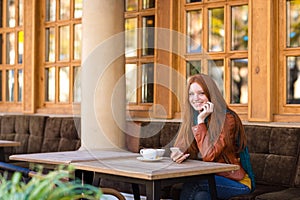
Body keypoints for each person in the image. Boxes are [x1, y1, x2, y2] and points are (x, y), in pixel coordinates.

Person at [171, 74, 254, 200]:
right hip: (211, 177)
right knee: (201, 197)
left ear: (211, 95)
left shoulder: (227, 118)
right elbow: (182, 147)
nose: (195, 98)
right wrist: (177, 153)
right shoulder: (192, 118)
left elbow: (209, 155)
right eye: (191, 94)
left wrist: (201, 122)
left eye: (201, 93)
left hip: (236, 181)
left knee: (194, 183)